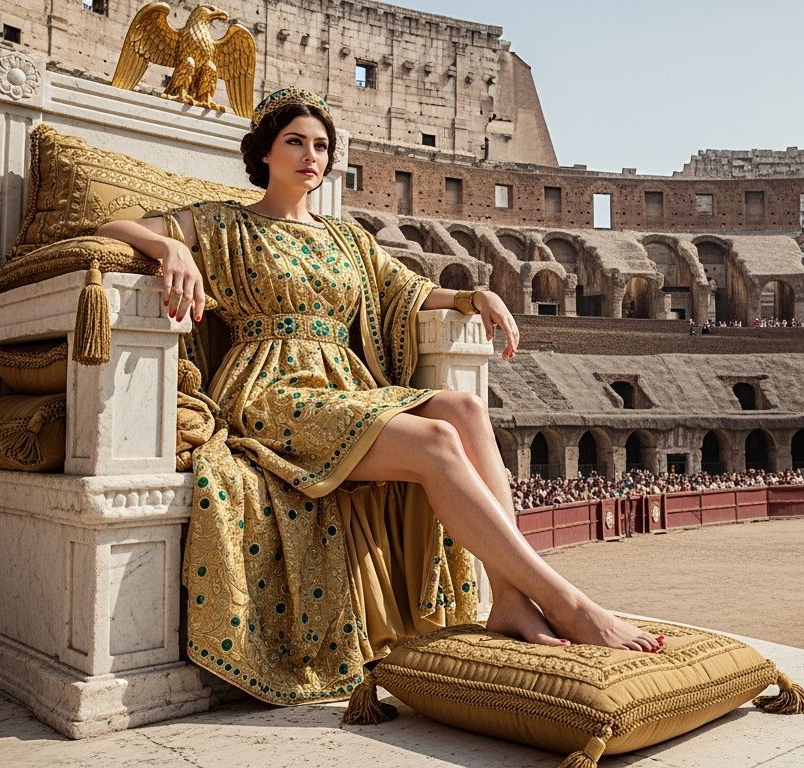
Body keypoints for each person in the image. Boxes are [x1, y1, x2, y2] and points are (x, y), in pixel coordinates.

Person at [95, 88, 663, 706]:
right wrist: (170, 245)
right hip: (269, 386)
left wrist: (475, 297)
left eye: (322, 146)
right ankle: (568, 602)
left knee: (465, 409)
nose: (312, 155)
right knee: (437, 440)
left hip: (344, 383)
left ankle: (508, 600)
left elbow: (409, 291)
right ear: (264, 152)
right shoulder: (223, 221)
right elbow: (108, 227)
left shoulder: (349, 240)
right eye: (295, 142)